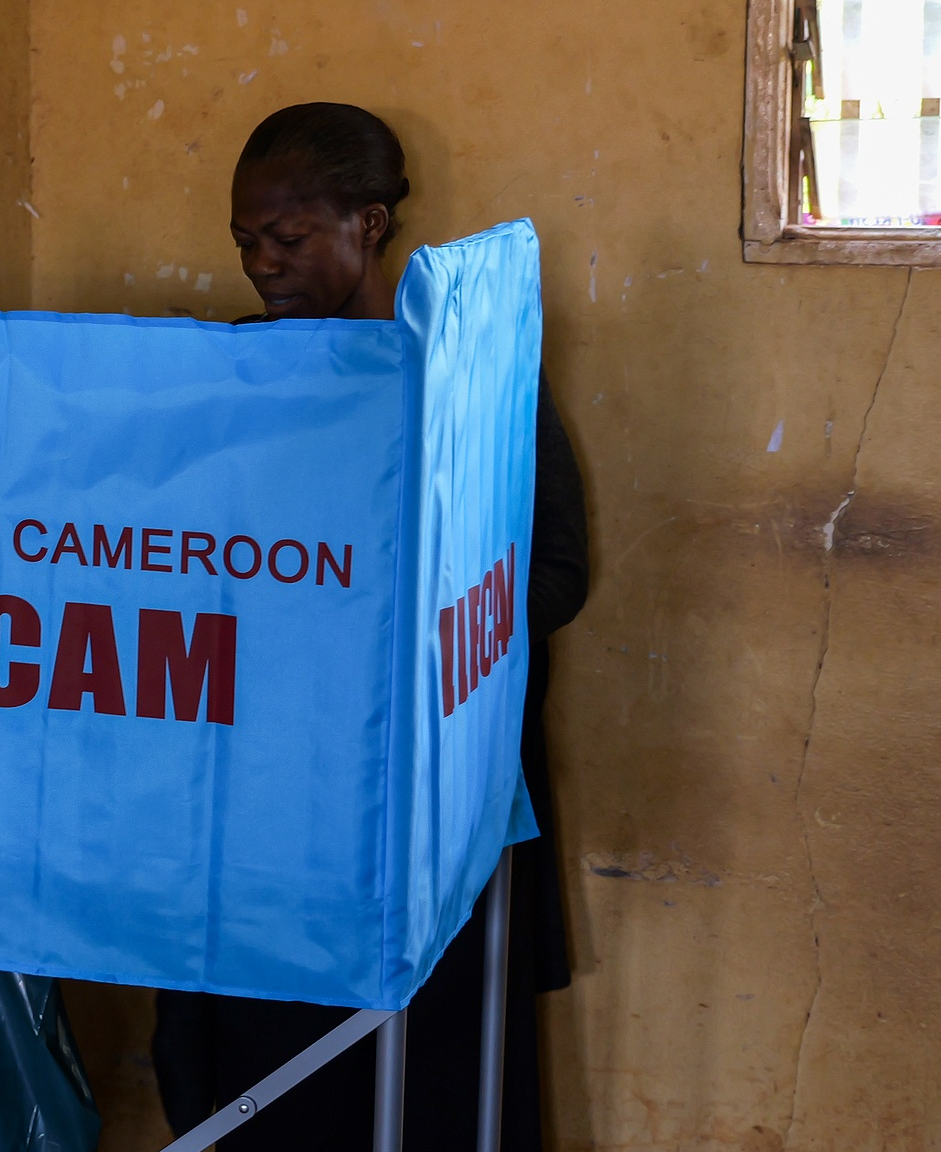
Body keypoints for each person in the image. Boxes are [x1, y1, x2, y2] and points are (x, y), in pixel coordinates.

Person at [150, 103, 591, 1152]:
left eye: (289, 239)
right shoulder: (235, 378)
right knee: (253, 1072)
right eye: (243, 242)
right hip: (264, 809)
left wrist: (391, 621)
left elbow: (553, 579)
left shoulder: (467, 388)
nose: (262, 264)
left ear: (371, 225)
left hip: (417, 814)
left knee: (428, 1074)